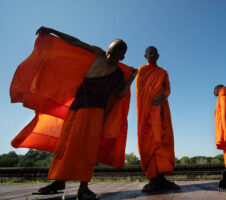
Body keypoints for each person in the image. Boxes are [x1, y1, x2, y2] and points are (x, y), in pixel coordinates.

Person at [26, 27, 137, 199]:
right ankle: (58, 181)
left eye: (113, 55)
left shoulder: (118, 75)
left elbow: (120, 94)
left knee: (88, 149)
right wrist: (52, 31)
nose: (108, 56)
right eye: (108, 52)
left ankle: (83, 187)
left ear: (121, 57)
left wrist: (131, 78)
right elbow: (76, 42)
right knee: (66, 145)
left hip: (96, 113)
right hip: (77, 108)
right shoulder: (98, 54)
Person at [136, 46, 180, 192]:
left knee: (163, 140)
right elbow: (140, 92)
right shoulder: (142, 71)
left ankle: (162, 179)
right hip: (147, 113)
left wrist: (163, 96)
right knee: (149, 141)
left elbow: (168, 89)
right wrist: (148, 107)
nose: (153, 55)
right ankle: (153, 179)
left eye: (155, 53)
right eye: (150, 53)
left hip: (161, 110)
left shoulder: (163, 72)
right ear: (145, 56)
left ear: (158, 55)